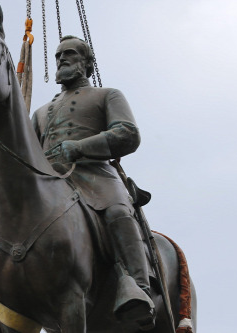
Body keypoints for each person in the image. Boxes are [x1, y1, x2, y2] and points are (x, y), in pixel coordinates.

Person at [30, 36, 155, 329]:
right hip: (52, 184)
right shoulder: (39, 113)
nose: (61, 59)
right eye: (59, 55)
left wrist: (80, 147)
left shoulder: (107, 95)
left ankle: (139, 288)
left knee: (118, 213)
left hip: (95, 177)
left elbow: (128, 133)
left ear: (87, 62)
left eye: (70, 54)